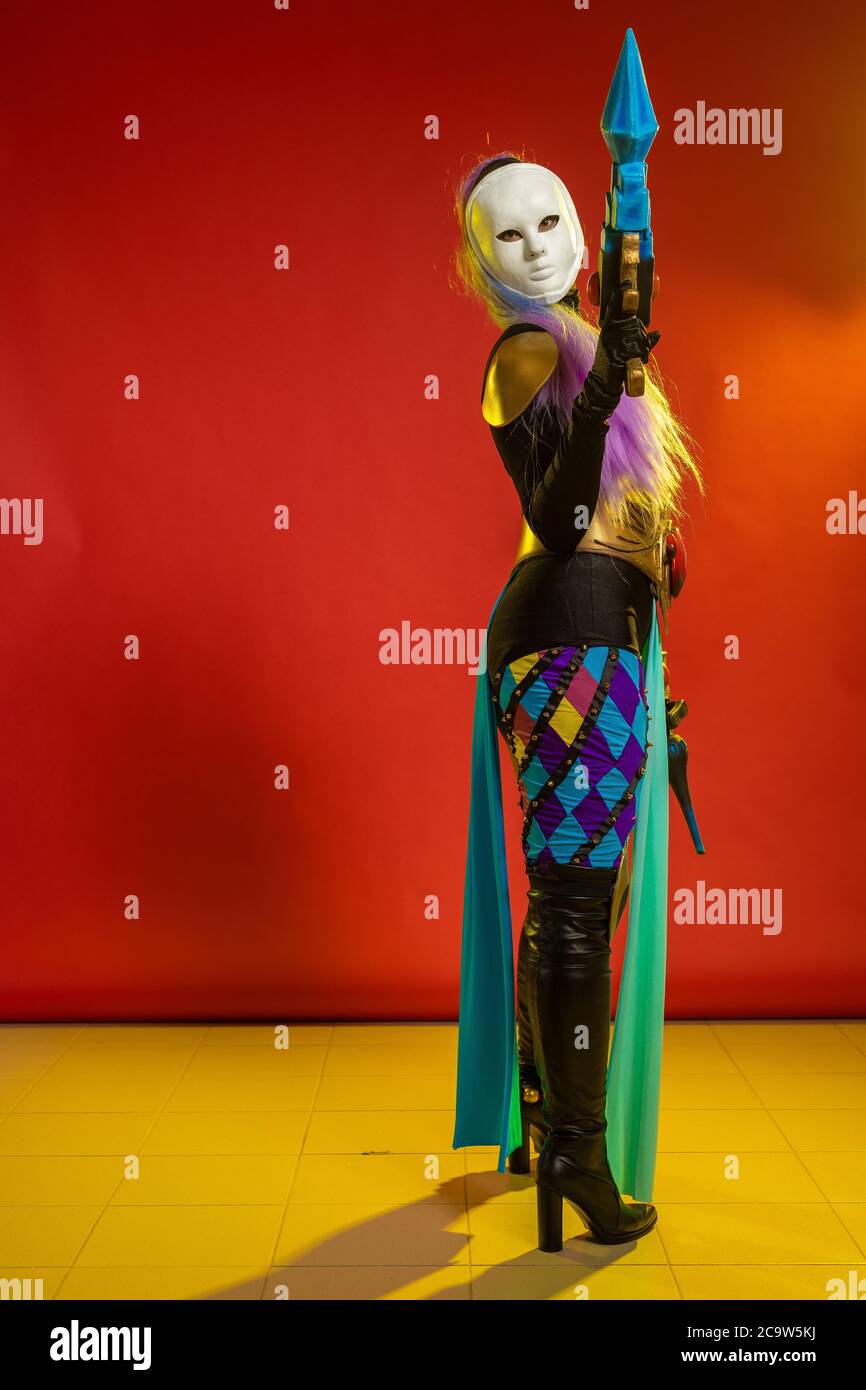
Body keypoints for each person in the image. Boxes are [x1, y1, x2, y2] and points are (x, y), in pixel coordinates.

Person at [450, 153, 701, 1252]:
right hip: (566, 653)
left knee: (578, 902)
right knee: (568, 901)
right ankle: (577, 1160)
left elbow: (616, 526)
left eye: (553, 219)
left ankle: (552, 1126)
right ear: (478, 259)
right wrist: (607, 385)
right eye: (508, 234)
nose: (539, 243)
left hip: (597, 647)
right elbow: (555, 523)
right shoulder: (525, 349)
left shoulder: (583, 347)